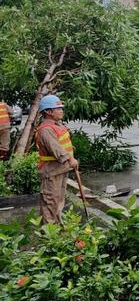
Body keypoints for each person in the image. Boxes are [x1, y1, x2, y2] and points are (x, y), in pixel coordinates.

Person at [35, 94, 79, 224]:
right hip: (51, 172)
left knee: (58, 202)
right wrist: (71, 160)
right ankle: (49, 234)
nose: (61, 111)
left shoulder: (57, 125)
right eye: (58, 108)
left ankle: (57, 230)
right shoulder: (46, 130)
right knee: (50, 203)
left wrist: (71, 159)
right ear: (48, 112)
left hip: (60, 170)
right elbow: (57, 150)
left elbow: (64, 144)